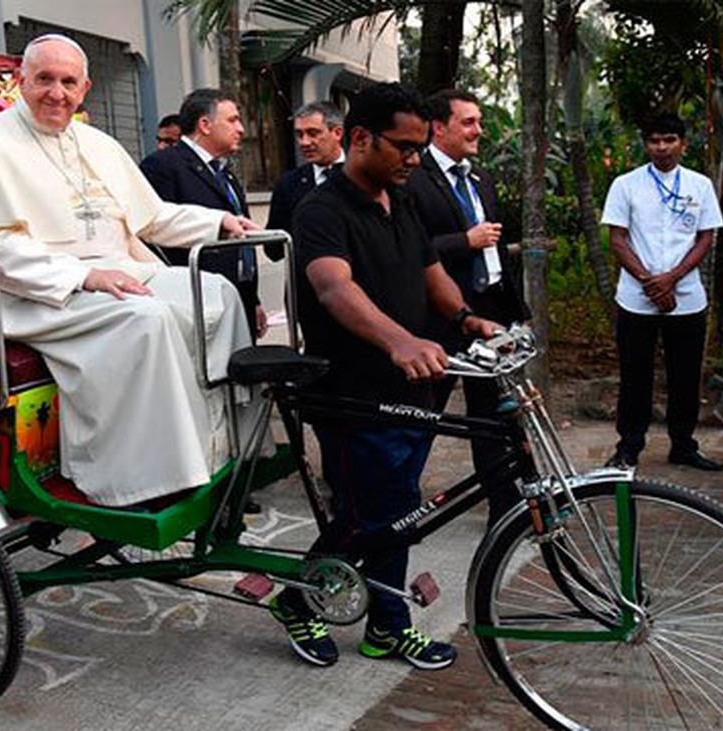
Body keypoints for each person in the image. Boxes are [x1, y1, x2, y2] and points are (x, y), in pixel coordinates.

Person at [0, 34, 258, 507]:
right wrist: (83, 276)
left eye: (67, 82)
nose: (56, 93)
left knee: (216, 292)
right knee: (148, 318)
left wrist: (217, 222)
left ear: (85, 87)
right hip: (20, 289)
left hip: (113, 270)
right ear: (22, 81)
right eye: (43, 79)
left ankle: (221, 444)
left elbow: (151, 216)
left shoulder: (97, 143)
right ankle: (148, 477)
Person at [267, 82, 502, 671]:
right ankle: (301, 602)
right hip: (352, 393)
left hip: (410, 388)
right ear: (361, 138)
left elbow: (430, 270)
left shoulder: (404, 199)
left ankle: (385, 625)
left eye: (420, 147)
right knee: (366, 515)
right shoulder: (321, 209)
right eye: (403, 146)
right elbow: (332, 285)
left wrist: (464, 316)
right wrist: (400, 340)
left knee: (396, 510)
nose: (414, 159)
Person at [407, 88, 532, 523]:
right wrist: (466, 241)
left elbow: (495, 246)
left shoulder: (479, 177)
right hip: (443, 317)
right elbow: (413, 248)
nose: (478, 130)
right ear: (439, 128)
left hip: (489, 310)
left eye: (479, 120)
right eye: (468, 122)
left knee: (492, 414)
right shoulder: (415, 178)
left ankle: (503, 502)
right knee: (423, 411)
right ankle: (398, 493)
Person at [600, 113, 723, 472]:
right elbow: (617, 239)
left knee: (685, 377)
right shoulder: (626, 185)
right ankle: (628, 448)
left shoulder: (699, 185)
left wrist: (671, 278)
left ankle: (684, 446)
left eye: (669, 139)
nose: (661, 147)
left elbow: (706, 237)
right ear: (645, 144)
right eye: (654, 140)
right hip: (636, 298)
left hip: (686, 298)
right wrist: (649, 281)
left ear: (682, 144)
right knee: (635, 376)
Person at [140, 88, 265, 339]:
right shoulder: (163, 166)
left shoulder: (224, 173)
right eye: (232, 120)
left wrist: (253, 299)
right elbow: (153, 231)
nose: (241, 129)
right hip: (196, 304)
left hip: (238, 296)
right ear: (205, 125)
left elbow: (242, 243)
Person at [264, 101, 345, 260]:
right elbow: (273, 251)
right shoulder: (288, 185)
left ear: (337, 133)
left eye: (313, 133)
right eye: (299, 134)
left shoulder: (364, 177)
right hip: (305, 281)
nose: (304, 142)